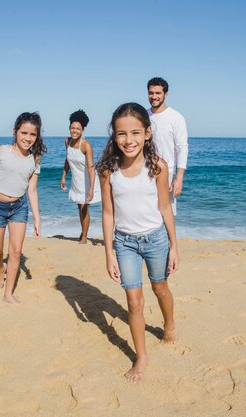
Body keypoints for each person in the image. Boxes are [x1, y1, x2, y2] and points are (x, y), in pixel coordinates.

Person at [98, 102, 179, 382]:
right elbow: (108, 214)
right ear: (114, 136)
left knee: (160, 289)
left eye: (135, 133)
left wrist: (174, 247)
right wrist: (108, 253)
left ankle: (169, 326)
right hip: (125, 243)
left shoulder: (157, 166)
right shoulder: (107, 170)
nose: (128, 140)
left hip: (156, 239)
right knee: (134, 302)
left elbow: (165, 208)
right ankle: (141, 357)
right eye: (121, 134)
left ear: (147, 133)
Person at [0, 112, 46, 305]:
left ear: (37, 136)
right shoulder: (1, 152)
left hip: (19, 207)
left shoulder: (35, 159)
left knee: (15, 252)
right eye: (24, 133)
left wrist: (37, 218)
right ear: (15, 131)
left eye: (33, 134)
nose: (28, 138)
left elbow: (32, 190)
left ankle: (8, 294)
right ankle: (0, 268)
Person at [147, 77, 188, 214]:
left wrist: (179, 177)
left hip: (168, 173)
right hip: (145, 172)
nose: (154, 97)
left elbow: (182, 147)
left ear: (165, 94)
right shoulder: (143, 116)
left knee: (166, 213)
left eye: (158, 93)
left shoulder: (176, 118)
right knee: (147, 212)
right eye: (151, 93)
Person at [60, 109, 101, 244]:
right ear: (69, 128)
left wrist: (91, 188)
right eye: (72, 128)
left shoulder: (86, 145)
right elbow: (68, 159)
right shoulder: (67, 142)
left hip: (88, 180)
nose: (75, 131)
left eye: (78, 129)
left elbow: (91, 167)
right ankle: (83, 231)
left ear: (82, 130)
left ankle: (84, 237)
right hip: (76, 179)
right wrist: (63, 176)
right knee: (80, 207)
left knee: (84, 207)